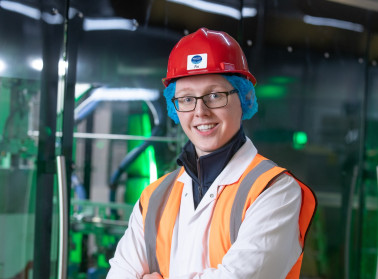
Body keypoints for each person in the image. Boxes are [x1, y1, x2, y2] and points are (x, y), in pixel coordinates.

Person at [106, 27, 317, 279]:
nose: (200, 111)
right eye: (186, 99)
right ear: (175, 107)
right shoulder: (155, 197)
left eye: (215, 95)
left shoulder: (274, 190)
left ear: (244, 99)